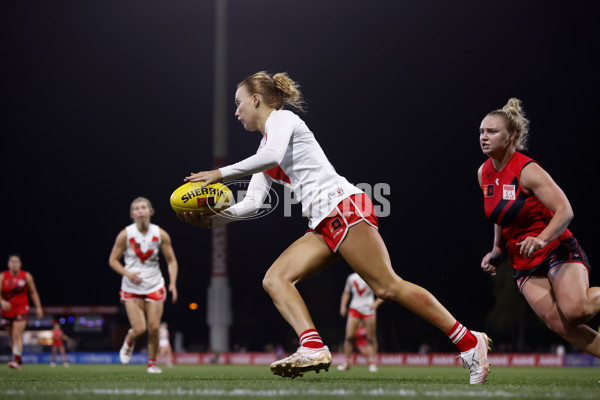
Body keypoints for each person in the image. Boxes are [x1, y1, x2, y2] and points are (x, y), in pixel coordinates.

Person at [179, 71, 490, 384]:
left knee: (387, 287)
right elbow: (254, 201)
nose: (236, 111)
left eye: (239, 103)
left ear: (256, 100)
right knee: (275, 279)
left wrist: (220, 173)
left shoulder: (281, 120)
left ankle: (469, 342)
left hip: (344, 207)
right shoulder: (265, 147)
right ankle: (313, 347)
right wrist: (213, 221)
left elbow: (273, 156)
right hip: (322, 222)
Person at [478, 98, 600, 357]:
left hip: (555, 248)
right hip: (523, 261)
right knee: (560, 324)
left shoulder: (527, 170)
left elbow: (565, 210)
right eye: (481, 131)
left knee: (577, 311)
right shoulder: (484, 172)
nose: (483, 137)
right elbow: (500, 214)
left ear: (511, 136)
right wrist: (496, 250)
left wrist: (542, 239)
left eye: (491, 131)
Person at [108, 197, 179, 374]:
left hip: (155, 284)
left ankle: (152, 364)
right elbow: (113, 260)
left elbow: (171, 261)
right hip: (131, 287)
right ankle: (130, 339)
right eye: (137, 209)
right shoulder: (126, 234)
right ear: (133, 214)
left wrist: (173, 283)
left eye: (143, 208)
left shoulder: (160, 234)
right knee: (139, 328)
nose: (140, 211)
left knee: (154, 327)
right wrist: (127, 273)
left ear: (150, 212)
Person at [0, 254, 43, 370]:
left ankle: (16, 361)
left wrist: (38, 307)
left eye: (16, 262)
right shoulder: (3, 277)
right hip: (7, 310)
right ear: (8, 264)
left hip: (22, 308)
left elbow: (33, 292)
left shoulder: (26, 276)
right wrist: (2, 301)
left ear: (20, 264)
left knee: (16, 334)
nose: (14, 264)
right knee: (12, 337)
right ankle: (19, 361)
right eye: (12, 262)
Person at [338, 272, 383, 372]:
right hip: (354, 308)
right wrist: (343, 306)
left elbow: (384, 291)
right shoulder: (351, 277)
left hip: (369, 309)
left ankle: (372, 363)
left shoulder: (372, 276)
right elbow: (346, 292)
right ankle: (347, 362)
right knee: (349, 336)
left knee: (371, 338)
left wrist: (376, 304)